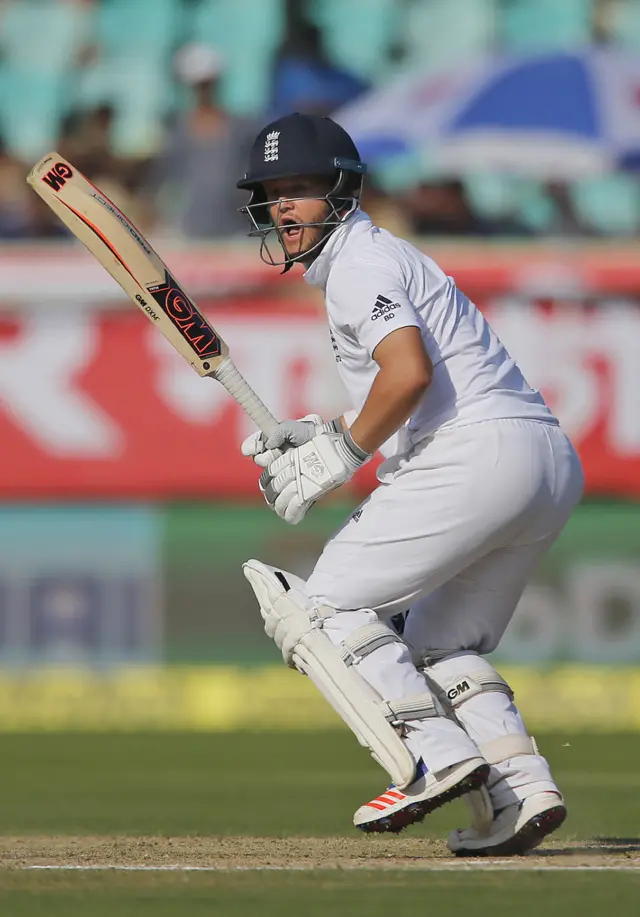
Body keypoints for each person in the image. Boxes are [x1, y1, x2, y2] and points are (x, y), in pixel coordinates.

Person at [237, 113, 583, 856]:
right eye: (272, 194)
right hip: (543, 458)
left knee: (325, 604)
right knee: (438, 638)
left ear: (341, 188)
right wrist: (325, 429)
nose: (282, 209)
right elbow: (415, 384)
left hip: (475, 454)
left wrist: (341, 449)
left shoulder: (360, 265)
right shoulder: (377, 258)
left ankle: (432, 750)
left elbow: (408, 374)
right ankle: (520, 787)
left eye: (298, 189)